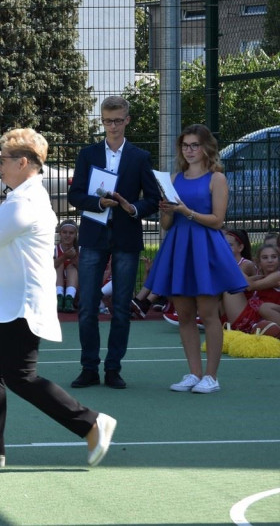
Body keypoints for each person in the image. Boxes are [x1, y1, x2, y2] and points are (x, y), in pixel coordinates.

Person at [0, 127, 116, 469]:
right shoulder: (19, 198)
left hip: (20, 304)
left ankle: (92, 423)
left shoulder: (26, 200)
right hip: (0, 303)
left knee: (20, 376)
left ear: (23, 162)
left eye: (3, 160)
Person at [143, 125, 248, 394]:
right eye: (185, 145)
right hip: (179, 248)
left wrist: (186, 211)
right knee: (185, 315)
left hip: (205, 249)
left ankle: (211, 377)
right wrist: (167, 211)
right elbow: (167, 224)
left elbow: (217, 221)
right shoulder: (174, 178)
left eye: (194, 145)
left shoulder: (217, 178)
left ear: (206, 148)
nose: (189, 150)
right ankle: (193, 373)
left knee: (209, 314)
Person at [68, 96, 159, 390]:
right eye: (108, 121)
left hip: (126, 236)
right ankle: (89, 367)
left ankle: (113, 368)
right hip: (93, 235)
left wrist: (132, 208)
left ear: (127, 120)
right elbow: (75, 194)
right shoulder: (88, 154)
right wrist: (98, 203)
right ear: (102, 121)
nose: (113, 126)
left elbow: (153, 199)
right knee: (87, 307)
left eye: (118, 120)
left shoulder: (140, 157)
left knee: (121, 307)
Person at [54, 219, 80, 313]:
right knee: (59, 265)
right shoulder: (54, 249)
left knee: (71, 267)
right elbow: (47, 268)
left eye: (71, 233)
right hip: (54, 287)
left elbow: (84, 272)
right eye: (64, 232)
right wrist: (64, 257)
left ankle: (69, 299)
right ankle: (59, 298)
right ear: (60, 233)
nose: (67, 235)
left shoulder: (80, 249)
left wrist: (74, 259)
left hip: (76, 288)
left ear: (75, 235)